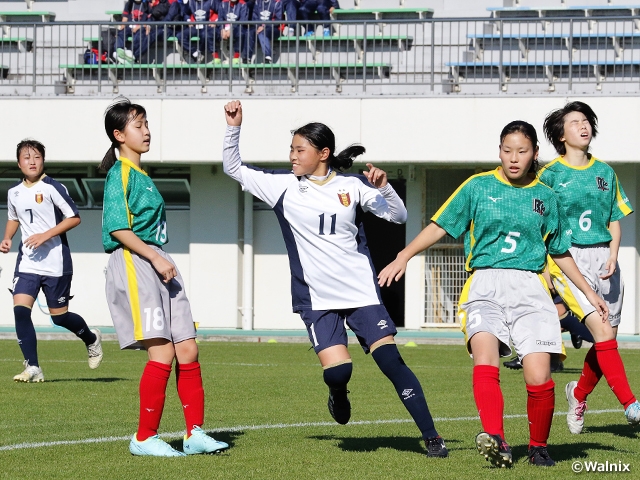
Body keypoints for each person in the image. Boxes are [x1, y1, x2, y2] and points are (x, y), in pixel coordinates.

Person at [222, 100, 448, 458]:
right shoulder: (282, 186)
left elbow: (399, 216)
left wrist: (386, 187)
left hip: (361, 291)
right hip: (316, 298)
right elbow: (232, 167)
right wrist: (234, 127)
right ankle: (338, 394)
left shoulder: (353, 185)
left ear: (323, 153)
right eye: (292, 149)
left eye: (300, 149)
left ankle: (432, 437)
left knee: (391, 362)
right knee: (339, 373)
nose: (293, 156)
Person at [378, 121, 609, 468]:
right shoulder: (477, 186)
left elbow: (560, 251)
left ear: (534, 154)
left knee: (539, 376)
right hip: (484, 283)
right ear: (499, 150)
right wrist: (404, 255)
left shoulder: (546, 197)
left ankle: (538, 447)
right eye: (507, 150)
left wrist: (589, 293)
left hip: (531, 286)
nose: (513, 158)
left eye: (522, 151)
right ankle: (497, 440)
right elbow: (441, 224)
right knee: (485, 354)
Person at [101, 97, 229, 457]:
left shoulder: (141, 175)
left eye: (146, 124)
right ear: (118, 134)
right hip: (136, 261)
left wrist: (160, 258)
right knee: (162, 352)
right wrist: (155, 258)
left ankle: (194, 434)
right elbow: (118, 229)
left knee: (187, 347)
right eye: (137, 125)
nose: (146, 131)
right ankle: (143, 438)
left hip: (159, 261)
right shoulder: (119, 174)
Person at [540, 101, 640, 434]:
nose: (583, 127)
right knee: (601, 332)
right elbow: (542, 225)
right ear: (560, 134)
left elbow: (614, 219)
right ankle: (631, 403)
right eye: (575, 122)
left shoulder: (605, 172)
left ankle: (578, 393)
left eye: (586, 121)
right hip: (568, 261)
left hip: (605, 262)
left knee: (605, 339)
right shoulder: (549, 176)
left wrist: (613, 255)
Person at [1, 139, 103, 383]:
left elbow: (74, 217)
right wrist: (6, 238)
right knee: (20, 311)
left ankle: (91, 338)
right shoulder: (13, 192)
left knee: (59, 317)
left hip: (55, 262)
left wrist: (45, 235)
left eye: (36, 157)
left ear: (43, 161)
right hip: (27, 263)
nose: (32, 162)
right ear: (19, 163)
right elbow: (14, 217)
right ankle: (33, 366)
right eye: (27, 158)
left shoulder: (53, 187)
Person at [178, 0, 220, 64]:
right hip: (195, 27)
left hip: (207, 27)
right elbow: (185, 13)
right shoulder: (191, 2)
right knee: (180, 36)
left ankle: (200, 50)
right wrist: (188, 21)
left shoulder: (211, 1)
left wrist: (216, 22)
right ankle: (195, 53)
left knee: (205, 35)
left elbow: (221, 11)